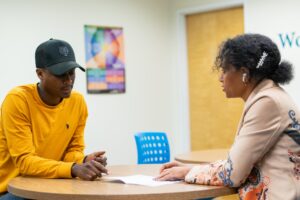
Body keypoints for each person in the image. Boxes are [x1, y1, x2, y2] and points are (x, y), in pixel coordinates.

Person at [155, 34, 300, 199]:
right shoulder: (271, 96)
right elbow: (238, 164)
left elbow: (233, 174)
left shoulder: (267, 102)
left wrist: (188, 172)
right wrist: (190, 169)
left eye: (224, 70)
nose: (220, 78)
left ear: (244, 73)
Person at [0, 38, 108, 200]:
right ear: (40, 74)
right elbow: (25, 162)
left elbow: (72, 151)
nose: (69, 80)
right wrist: (73, 168)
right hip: (12, 189)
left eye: (71, 72)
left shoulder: (77, 102)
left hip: (50, 184)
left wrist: (84, 159)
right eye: (60, 74)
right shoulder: (17, 100)